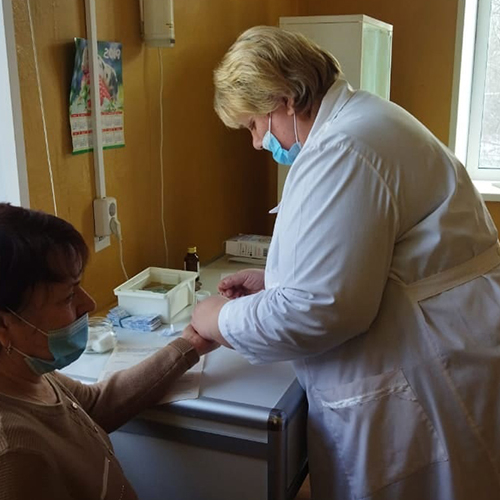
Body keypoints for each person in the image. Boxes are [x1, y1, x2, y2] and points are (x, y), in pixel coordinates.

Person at [190, 25, 500, 500]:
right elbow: (358, 257)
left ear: (284, 100)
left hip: (432, 366)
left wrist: (218, 318)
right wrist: (276, 280)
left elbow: (321, 309)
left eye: (253, 124)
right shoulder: (363, 122)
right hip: (451, 338)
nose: (255, 142)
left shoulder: (344, 149)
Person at [0, 203, 217, 500]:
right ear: (4, 324)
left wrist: (188, 346)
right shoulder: (15, 456)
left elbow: (95, 405)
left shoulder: (28, 375)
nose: (88, 304)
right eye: (68, 296)